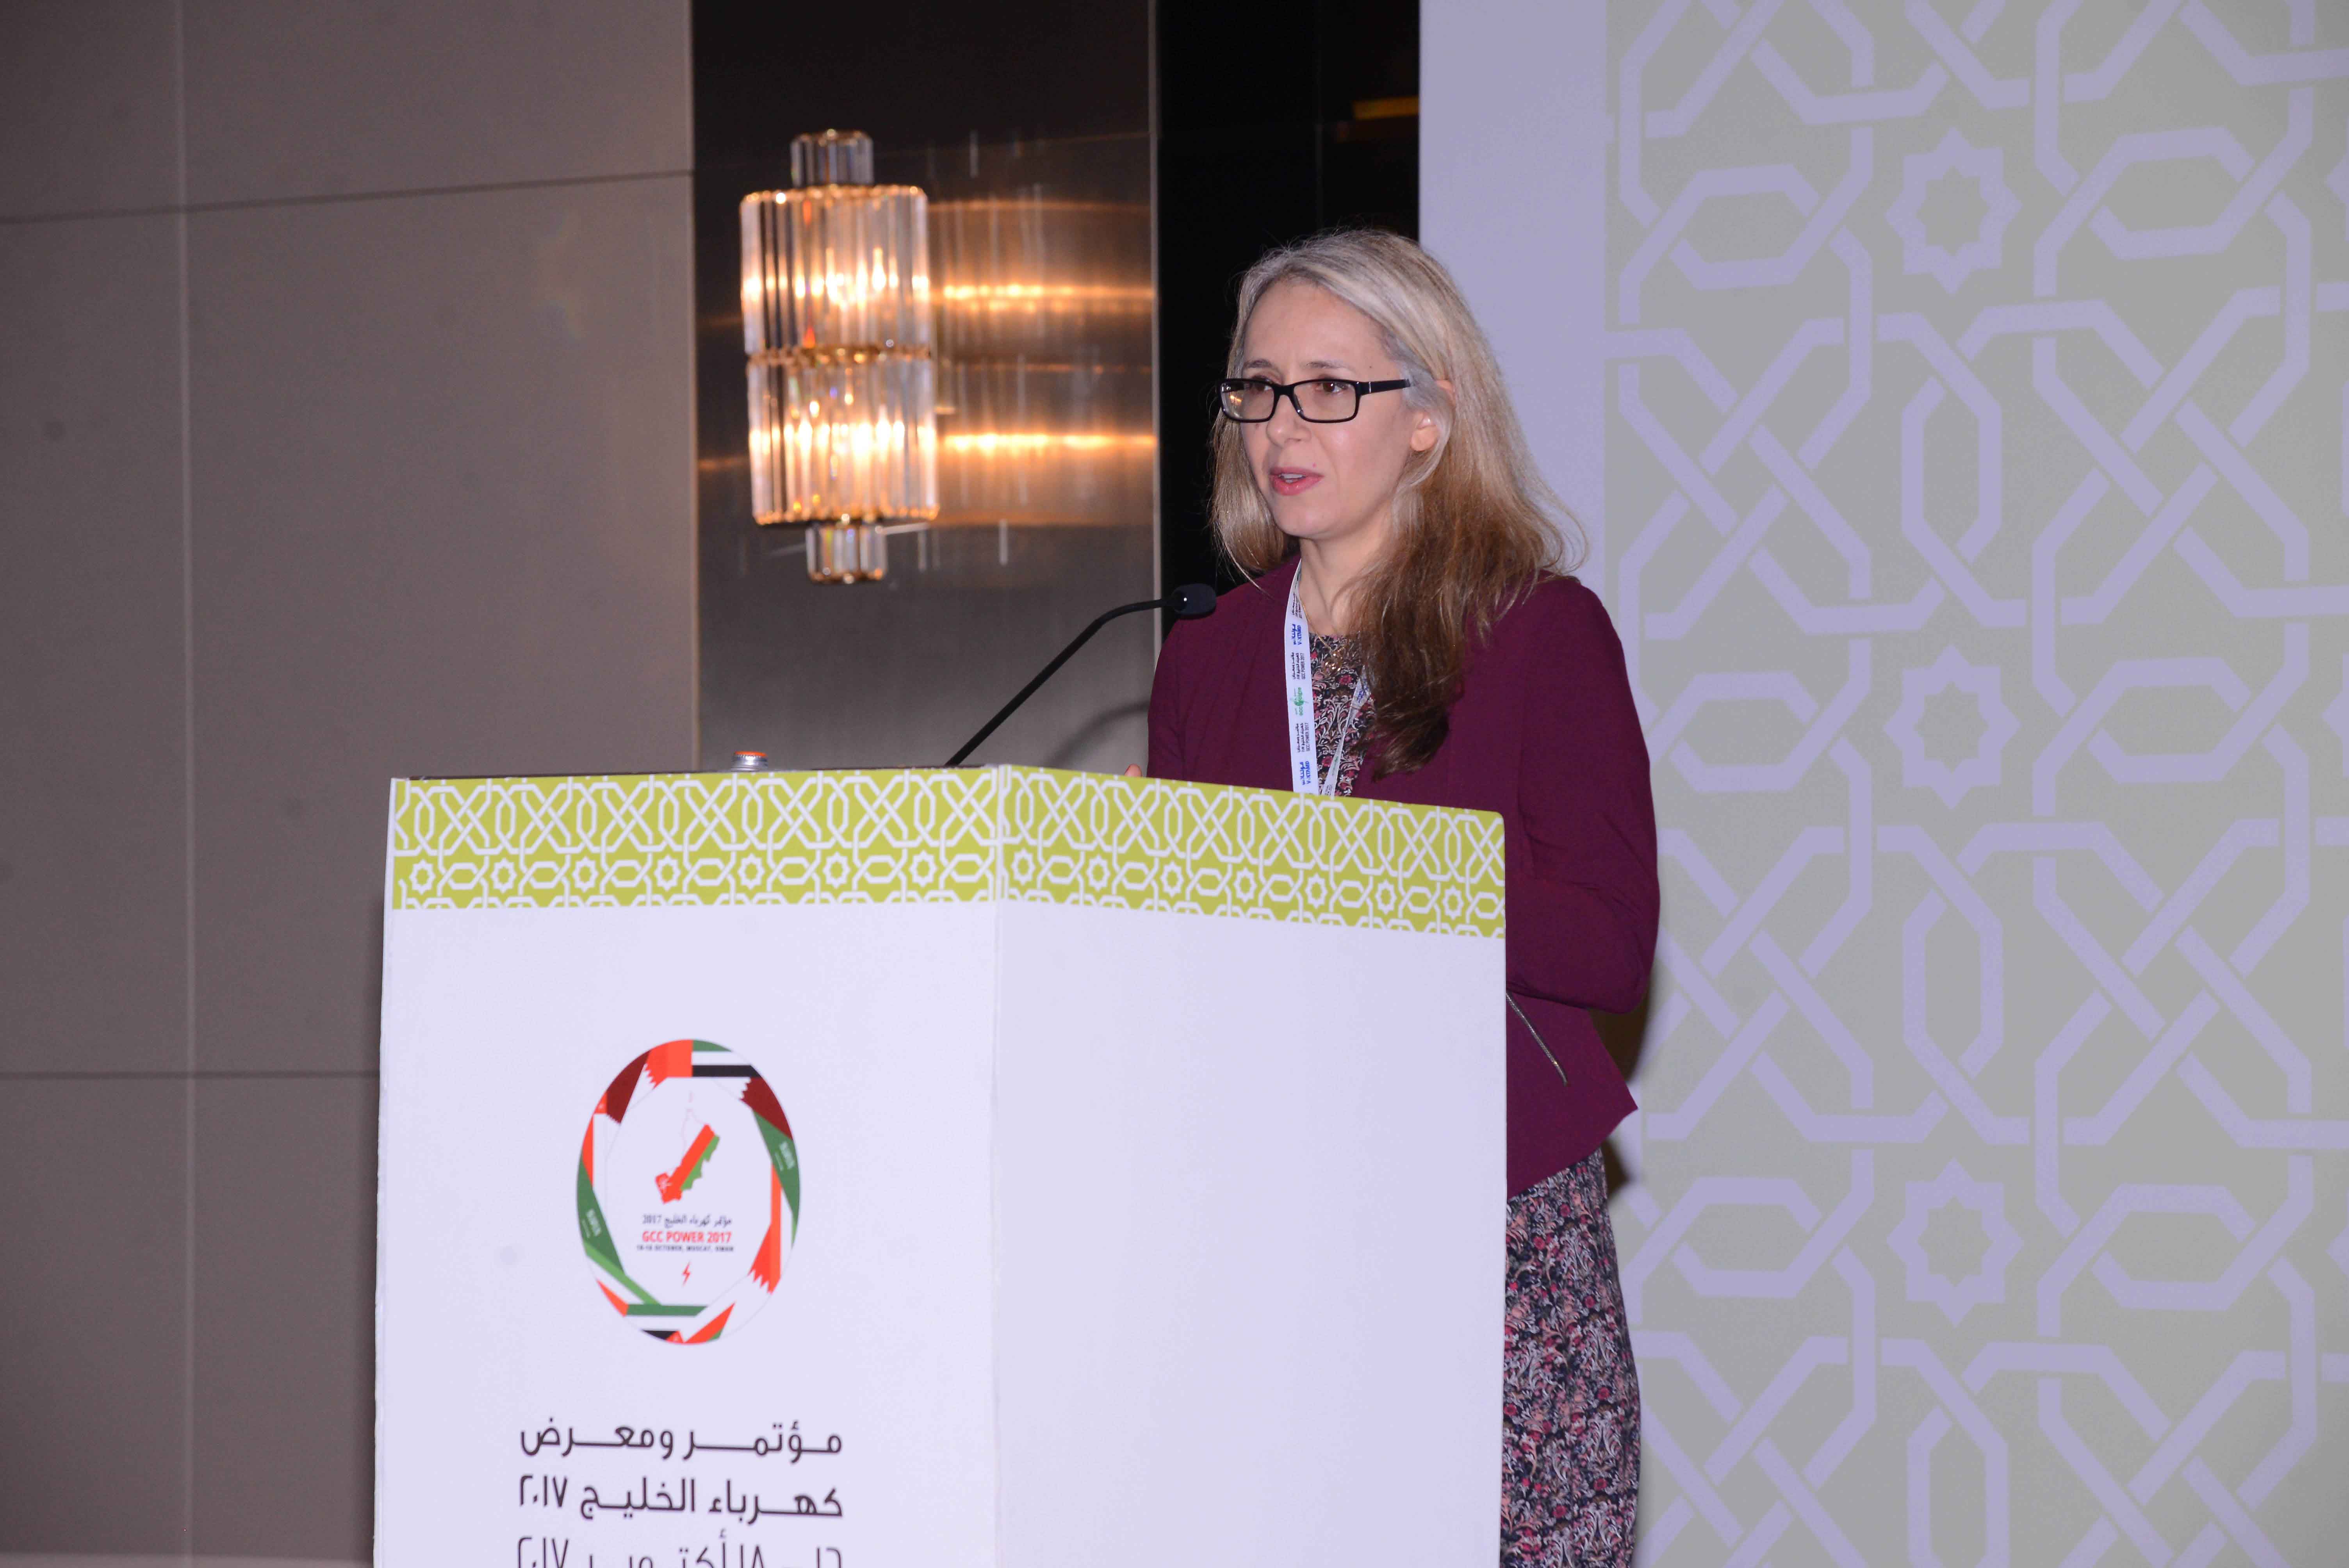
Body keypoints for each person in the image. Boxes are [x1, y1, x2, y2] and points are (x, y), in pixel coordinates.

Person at [1144, 229, 1657, 1567]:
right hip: (1270, 1206)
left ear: (1428, 418)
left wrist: (1399, 877)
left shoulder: (1537, 632)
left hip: (1487, 1208)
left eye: (1329, 388)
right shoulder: (1207, 658)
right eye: (1258, 388)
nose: (1280, 426)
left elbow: (1609, 946)